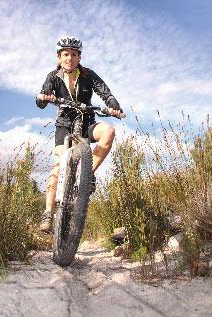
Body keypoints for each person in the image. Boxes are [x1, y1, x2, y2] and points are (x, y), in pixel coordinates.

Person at [35, 35, 125, 233]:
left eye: (74, 54)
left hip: (86, 123)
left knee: (108, 131)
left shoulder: (88, 75)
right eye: (66, 54)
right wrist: (45, 98)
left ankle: (87, 174)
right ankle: (48, 213)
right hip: (64, 125)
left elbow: (105, 93)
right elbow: (41, 99)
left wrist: (113, 105)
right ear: (59, 57)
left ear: (79, 57)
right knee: (58, 166)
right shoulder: (53, 76)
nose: (70, 58)